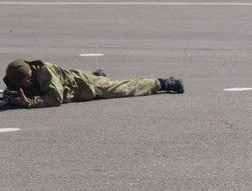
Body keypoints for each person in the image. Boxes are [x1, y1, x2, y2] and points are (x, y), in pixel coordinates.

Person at [3, 59, 183, 109]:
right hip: (73, 82)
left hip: (86, 86)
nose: (28, 81)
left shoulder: (43, 72)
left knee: (124, 89)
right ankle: (97, 75)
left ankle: (162, 83)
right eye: (23, 81)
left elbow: (55, 99)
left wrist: (28, 103)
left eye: (28, 77)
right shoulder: (17, 80)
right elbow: (8, 92)